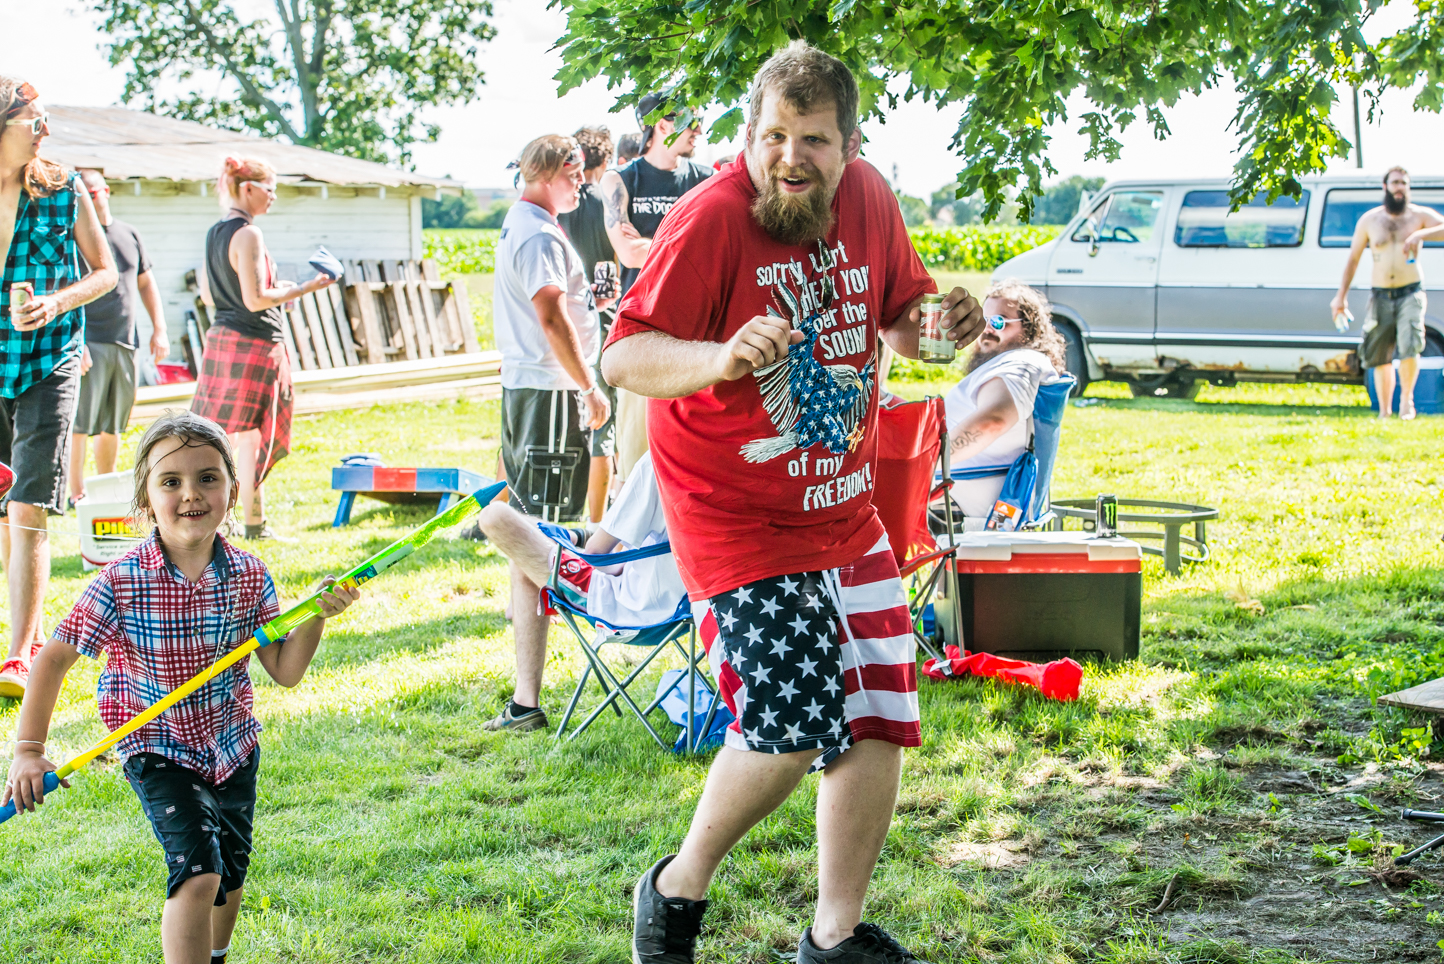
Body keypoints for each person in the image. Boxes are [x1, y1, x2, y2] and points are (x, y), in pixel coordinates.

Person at [602, 41, 983, 964]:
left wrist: (942, 325)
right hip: (734, 515)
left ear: (849, 145)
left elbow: (904, 323)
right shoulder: (710, 218)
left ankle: (834, 936)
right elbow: (625, 355)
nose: (790, 158)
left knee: (880, 714)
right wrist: (719, 355)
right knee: (790, 720)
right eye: (773, 136)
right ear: (749, 135)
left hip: (845, 509)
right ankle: (676, 887)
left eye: (813, 139)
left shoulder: (870, 199)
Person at [1, 410, 359, 964]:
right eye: (171, 481)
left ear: (232, 490)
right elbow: (52, 660)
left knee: (230, 875)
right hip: (158, 748)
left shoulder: (249, 575)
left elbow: (285, 671)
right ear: (145, 499)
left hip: (232, 746)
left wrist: (315, 615)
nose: (190, 493)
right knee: (199, 872)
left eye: (207, 478)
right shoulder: (121, 581)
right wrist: (28, 750)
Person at [0, 77, 117, 698]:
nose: (45, 130)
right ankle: (23, 630)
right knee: (4, 509)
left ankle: (19, 655)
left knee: (27, 506)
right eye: (33, 121)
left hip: (48, 361)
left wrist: (57, 302)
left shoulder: (63, 188)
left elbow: (105, 272)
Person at [476, 450, 683, 731]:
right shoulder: (730, 458)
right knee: (529, 539)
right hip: (689, 605)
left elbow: (597, 554)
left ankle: (524, 705)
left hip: (629, 606)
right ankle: (523, 706)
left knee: (495, 518)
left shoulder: (661, 459)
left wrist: (572, 542)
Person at [191, 157, 335, 540]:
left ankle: (220, 524)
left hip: (222, 338)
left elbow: (209, 295)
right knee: (252, 439)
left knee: (220, 438)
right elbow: (255, 300)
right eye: (270, 189)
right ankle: (254, 526)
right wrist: (303, 288)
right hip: (254, 342)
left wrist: (277, 291)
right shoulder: (249, 234)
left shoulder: (215, 232)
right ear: (248, 188)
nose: (273, 196)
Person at [493, 134, 611, 529]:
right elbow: (551, 319)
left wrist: (589, 302)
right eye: (573, 175)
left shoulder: (523, 221)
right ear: (545, 177)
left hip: (534, 382)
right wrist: (588, 387)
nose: (581, 183)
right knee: (549, 519)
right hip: (552, 388)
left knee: (529, 511)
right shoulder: (539, 235)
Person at [600, 93, 714, 480]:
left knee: (695, 460)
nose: (700, 130)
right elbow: (628, 252)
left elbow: (719, 251)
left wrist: (654, 245)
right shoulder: (619, 180)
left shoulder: (706, 180)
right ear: (663, 124)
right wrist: (691, 247)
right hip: (641, 335)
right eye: (692, 121)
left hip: (698, 336)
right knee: (635, 459)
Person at [68, 168, 169, 506]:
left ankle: (104, 487)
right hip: (90, 341)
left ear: (106, 192)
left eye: (91, 193)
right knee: (82, 422)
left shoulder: (129, 233)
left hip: (125, 341)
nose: (86, 200)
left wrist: (159, 328)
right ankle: (76, 493)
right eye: (80, 195)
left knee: (112, 423)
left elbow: (145, 282)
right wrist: (78, 342)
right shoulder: (74, 237)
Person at [943, 279, 1069, 523]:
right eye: (982, 321)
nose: (987, 329)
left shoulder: (1020, 363)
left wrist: (924, 461)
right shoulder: (1017, 363)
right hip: (954, 498)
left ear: (1029, 329)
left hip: (953, 507)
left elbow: (993, 420)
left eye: (999, 321)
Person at [1330, 165, 1444, 420]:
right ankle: (1384, 411)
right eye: (1395, 183)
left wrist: (1421, 234)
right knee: (1379, 354)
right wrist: (1340, 297)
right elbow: (1353, 260)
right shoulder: (1370, 220)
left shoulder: (1419, 216)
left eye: (1404, 183)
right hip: (1380, 294)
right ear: (1385, 187)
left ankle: (1406, 402)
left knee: (1410, 345)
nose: (1399, 188)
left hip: (1411, 292)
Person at [557, 125, 621, 524]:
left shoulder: (556, 204)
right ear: (607, 159)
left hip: (559, 320)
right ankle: (597, 523)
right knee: (603, 429)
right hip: (603, 319)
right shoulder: (605, 202)